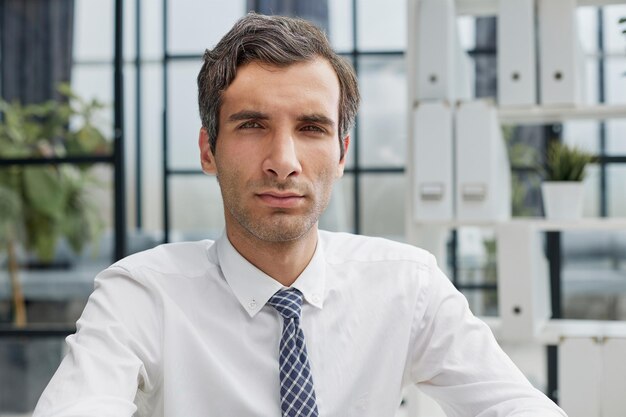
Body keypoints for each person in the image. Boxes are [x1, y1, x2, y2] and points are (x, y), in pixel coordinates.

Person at [33, 12, 567, 417]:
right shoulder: (142, 294)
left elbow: (515, 406)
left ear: (341, 153)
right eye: (251, 125)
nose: (283, 163)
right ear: (207, 150)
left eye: (311, 128)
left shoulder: (408, 284)